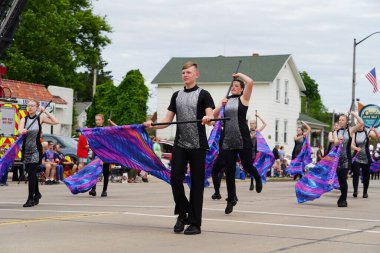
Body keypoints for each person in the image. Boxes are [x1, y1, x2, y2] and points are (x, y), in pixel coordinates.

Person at [144, 61, 214, 235]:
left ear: (196, 75)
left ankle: (195, 223)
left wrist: (207, 119)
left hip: (198, 145)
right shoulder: (176, 96)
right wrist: (152, 125)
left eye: (189, 72)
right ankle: (183, 214)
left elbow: (210, 116)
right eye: (183, 72)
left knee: (197, 185)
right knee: (175, 178)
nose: (185, 75)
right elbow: (167, 121)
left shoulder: (204, 94)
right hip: (180, 143)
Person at [213, 72, 262, 215]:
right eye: (232, 86)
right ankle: (231, 199)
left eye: (236, 86)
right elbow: (214, 116)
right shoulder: (226, 100)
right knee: (229, 172)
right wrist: (220, 105)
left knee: (247, 165)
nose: (233, 88)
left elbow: (251, 81)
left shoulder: (244, 99)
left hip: (242, 138)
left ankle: (257, 177)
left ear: (241, 89)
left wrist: (239, 75)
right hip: (228, 139)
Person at [18, 99, 59, 207]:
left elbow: (56, 121)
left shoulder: (40, 118)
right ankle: (37, 194)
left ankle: (30, 199)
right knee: (31, 174)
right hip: (26, 150)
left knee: (31, 173)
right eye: (29, 105)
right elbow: (19, 130)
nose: (30, 107)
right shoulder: (24, 119)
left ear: (37, 107)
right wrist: (22, 131)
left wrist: (45, 111)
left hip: (36, 150)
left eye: (32, 105)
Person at [330, 112, 363, 207]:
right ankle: (342, 196)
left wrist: (353, 114)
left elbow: (361, 123)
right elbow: (335, 143)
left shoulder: (350, 130)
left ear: (346, 121)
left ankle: (343, 199)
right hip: (337, 159)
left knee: (343, 178)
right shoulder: (335, 132)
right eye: (339, 120)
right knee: (340, 180)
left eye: (343, 120)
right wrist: (338, 140)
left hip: (346, 159)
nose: (340, 121)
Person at [351, 125, 379, 198]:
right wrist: (356, 148)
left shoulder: (367, 133)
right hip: (357, 157)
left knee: (366, 175)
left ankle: (365, 192)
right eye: (357, 125)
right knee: (356, 174)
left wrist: (374, 130)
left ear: (362, 125)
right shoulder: (355, 133)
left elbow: (378, 137)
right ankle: (355, 191)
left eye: (360, 124)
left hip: (366, 157)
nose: (359, 126)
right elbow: (352, 144)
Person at [89, 114, 110, 197]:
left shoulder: (106, 130)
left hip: (105, 153)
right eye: (96, 120)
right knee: (94, 171)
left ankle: (104, 190)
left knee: (105, 172)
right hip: (96, 152)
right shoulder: (93, 130)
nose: (97, 121)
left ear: (102, 120)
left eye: (99, 120)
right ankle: (93, 189)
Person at [248, 115, 267, 190]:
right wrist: (255, 134)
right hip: (251, 151)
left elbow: (265, 124)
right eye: (250, 123)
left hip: (257, 151)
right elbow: (250, 138)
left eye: (253, 123)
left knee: (256, 166)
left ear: (255, 124)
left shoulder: (257, 131)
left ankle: (257, 181)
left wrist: (259, 117)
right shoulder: (248, 132)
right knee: (252, 166)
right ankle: (252, 182)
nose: (251, 125)